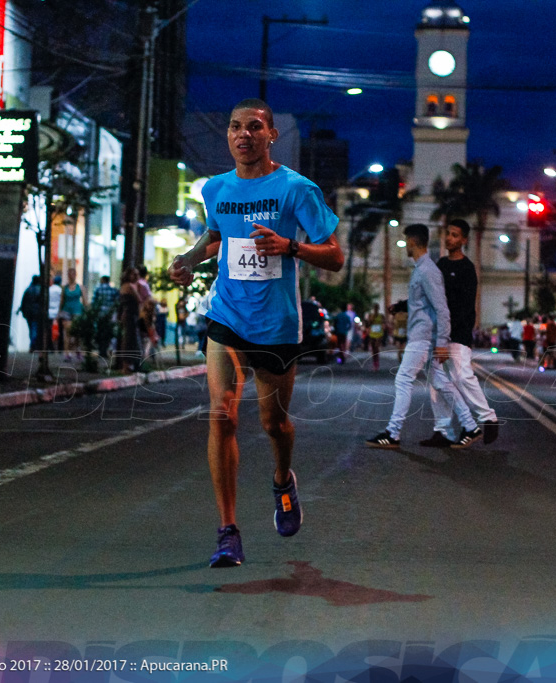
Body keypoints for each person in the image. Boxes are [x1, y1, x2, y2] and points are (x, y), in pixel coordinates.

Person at [168, 98, 343, 568]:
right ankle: (228, 531)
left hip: (277, 323)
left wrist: (291, 247)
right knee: (221, 414)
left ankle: (283, 479)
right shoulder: (216, 189)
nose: (242, 135)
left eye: (253, 127)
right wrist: (187, 259)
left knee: (274, 425)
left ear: (271, 136)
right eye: (234, 127)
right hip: (226, 315)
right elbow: (215, 238)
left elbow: (335, 254)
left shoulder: (296, 189)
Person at [367, 224, 478, 449]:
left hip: (424, 337)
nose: (406, 244)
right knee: (439, 380)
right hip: (423, 335)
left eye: (407, 240)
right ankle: (470, 424)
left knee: (403, 378)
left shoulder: (428, 271)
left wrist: (442, 342)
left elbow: (442, 308)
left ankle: (393, 432)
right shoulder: (422, 269)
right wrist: (400, 306)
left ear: (412, 242)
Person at [421, 219, 499, 447]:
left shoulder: (467, 269)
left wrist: (457, 333)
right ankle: (443, 431)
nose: (449, 238)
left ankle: (488, 418)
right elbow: (431, 294)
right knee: (438, 382)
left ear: (464, 240)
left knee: (462, 375)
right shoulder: (441, 265)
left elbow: (466, 306)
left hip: (458, 334)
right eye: (448, 234)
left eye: (455, 235)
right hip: (439, 332)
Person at [116, 268, 141, 371]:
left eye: (138, 274)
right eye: (134, 275)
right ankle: (127, 364)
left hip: (127, 315)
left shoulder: (124, 286)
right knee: (130, 339)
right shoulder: (129, 287)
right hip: (130, 315)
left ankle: (127, 364)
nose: (137, 277)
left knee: (128, 339)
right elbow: (139, 299)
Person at [90, 274, 120, 359]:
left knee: (100, 332)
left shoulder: (98, 289)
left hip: (100, 314)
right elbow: (117, 302)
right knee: (108, 333)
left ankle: (101, 351)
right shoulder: (113, 290)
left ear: (102, 280)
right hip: (109, 314)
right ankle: (106, 350)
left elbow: (94, 302)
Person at [59, 267, 86, 359]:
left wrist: (86, 311)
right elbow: (62, 300)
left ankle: (77, 350)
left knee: (77, 332)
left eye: (73, 274)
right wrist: (59, 312)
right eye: (70, 274)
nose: (71, 276)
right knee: (67, 332)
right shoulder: (65, 288)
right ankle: (67, 353)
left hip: (77, 311)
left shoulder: (80, 288)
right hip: (66, 311)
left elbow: (85, 301)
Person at [18, 275, 43, 352]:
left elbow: (23, 301)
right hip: (36, 312)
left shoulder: (28, 289)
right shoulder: (40, 290)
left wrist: (21, 309)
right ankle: (33, 344)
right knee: (34, 328)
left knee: (31, 328)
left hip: (29, 313)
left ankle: (33, 344)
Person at [365, 303, 386, 371]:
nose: (375, 309)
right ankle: (375, 363)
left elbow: (384, 323)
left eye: (376, 308)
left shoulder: (381, 316)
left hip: (379, 334)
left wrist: (383, 327)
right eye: (374, 308)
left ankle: (376, 364)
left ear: (378, 308)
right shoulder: (371, 315)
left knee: (376, 348)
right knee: (373, 349)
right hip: (372, 334)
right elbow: (368, 324)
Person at [47, 275, 63, 351]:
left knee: (49, 329)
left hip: (50, 311)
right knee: (60, 329)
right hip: (58, 311)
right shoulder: (60, 290)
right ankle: (60, 347)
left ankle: (50, 346)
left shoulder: (49, 289)